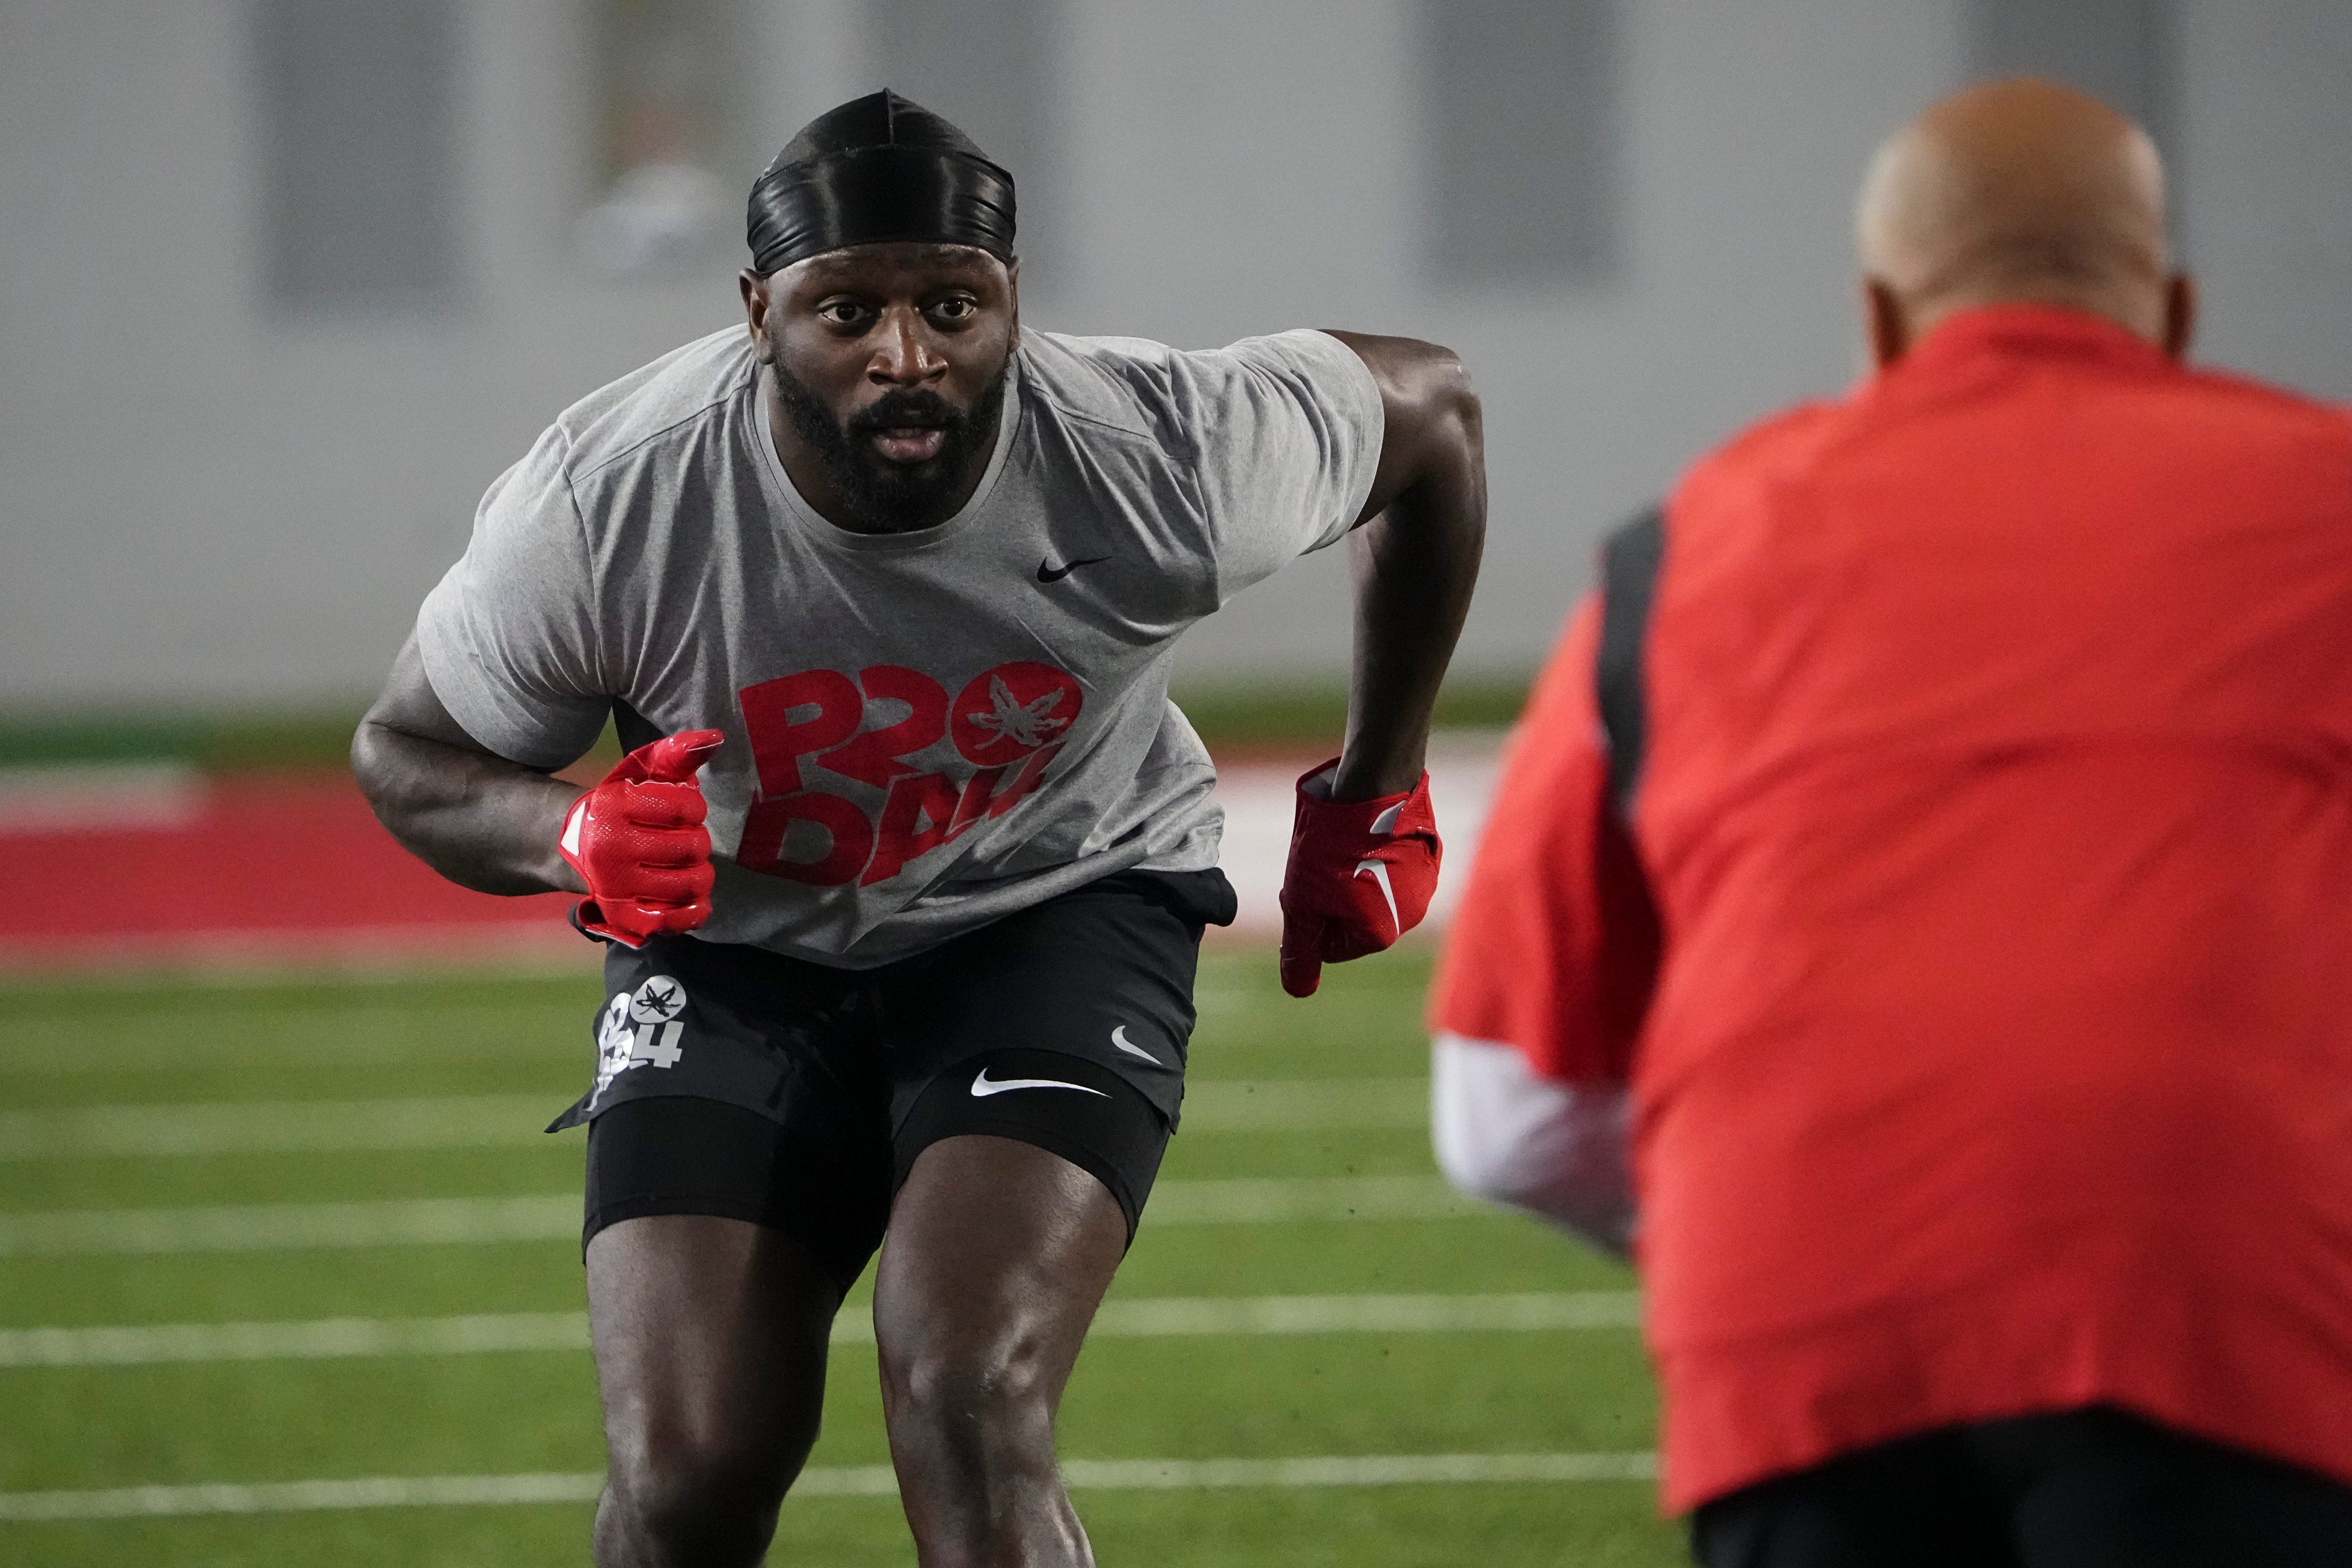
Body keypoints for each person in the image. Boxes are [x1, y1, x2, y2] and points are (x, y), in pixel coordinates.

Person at [353, 90, 1480, 1568]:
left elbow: (1434, 419)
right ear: (759, 311)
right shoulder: (612, 498)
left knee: (965, 1382)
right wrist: (569, 834)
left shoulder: (1158, 449)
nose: (906, 356)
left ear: (1013, 301)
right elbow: (405, 754)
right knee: (687, 1470)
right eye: (847, 312)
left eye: (954, 306)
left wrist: (1375, 786)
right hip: (741, 951)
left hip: (1055, 912)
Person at [1428, 78, 2352, 1566]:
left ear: (1873, 322)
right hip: (2220, 1299)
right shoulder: (2326, 502)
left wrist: (1800, 1229)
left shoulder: (1679, 555)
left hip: (1794, 1311)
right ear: (2171, 314)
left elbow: (1505, 1115)